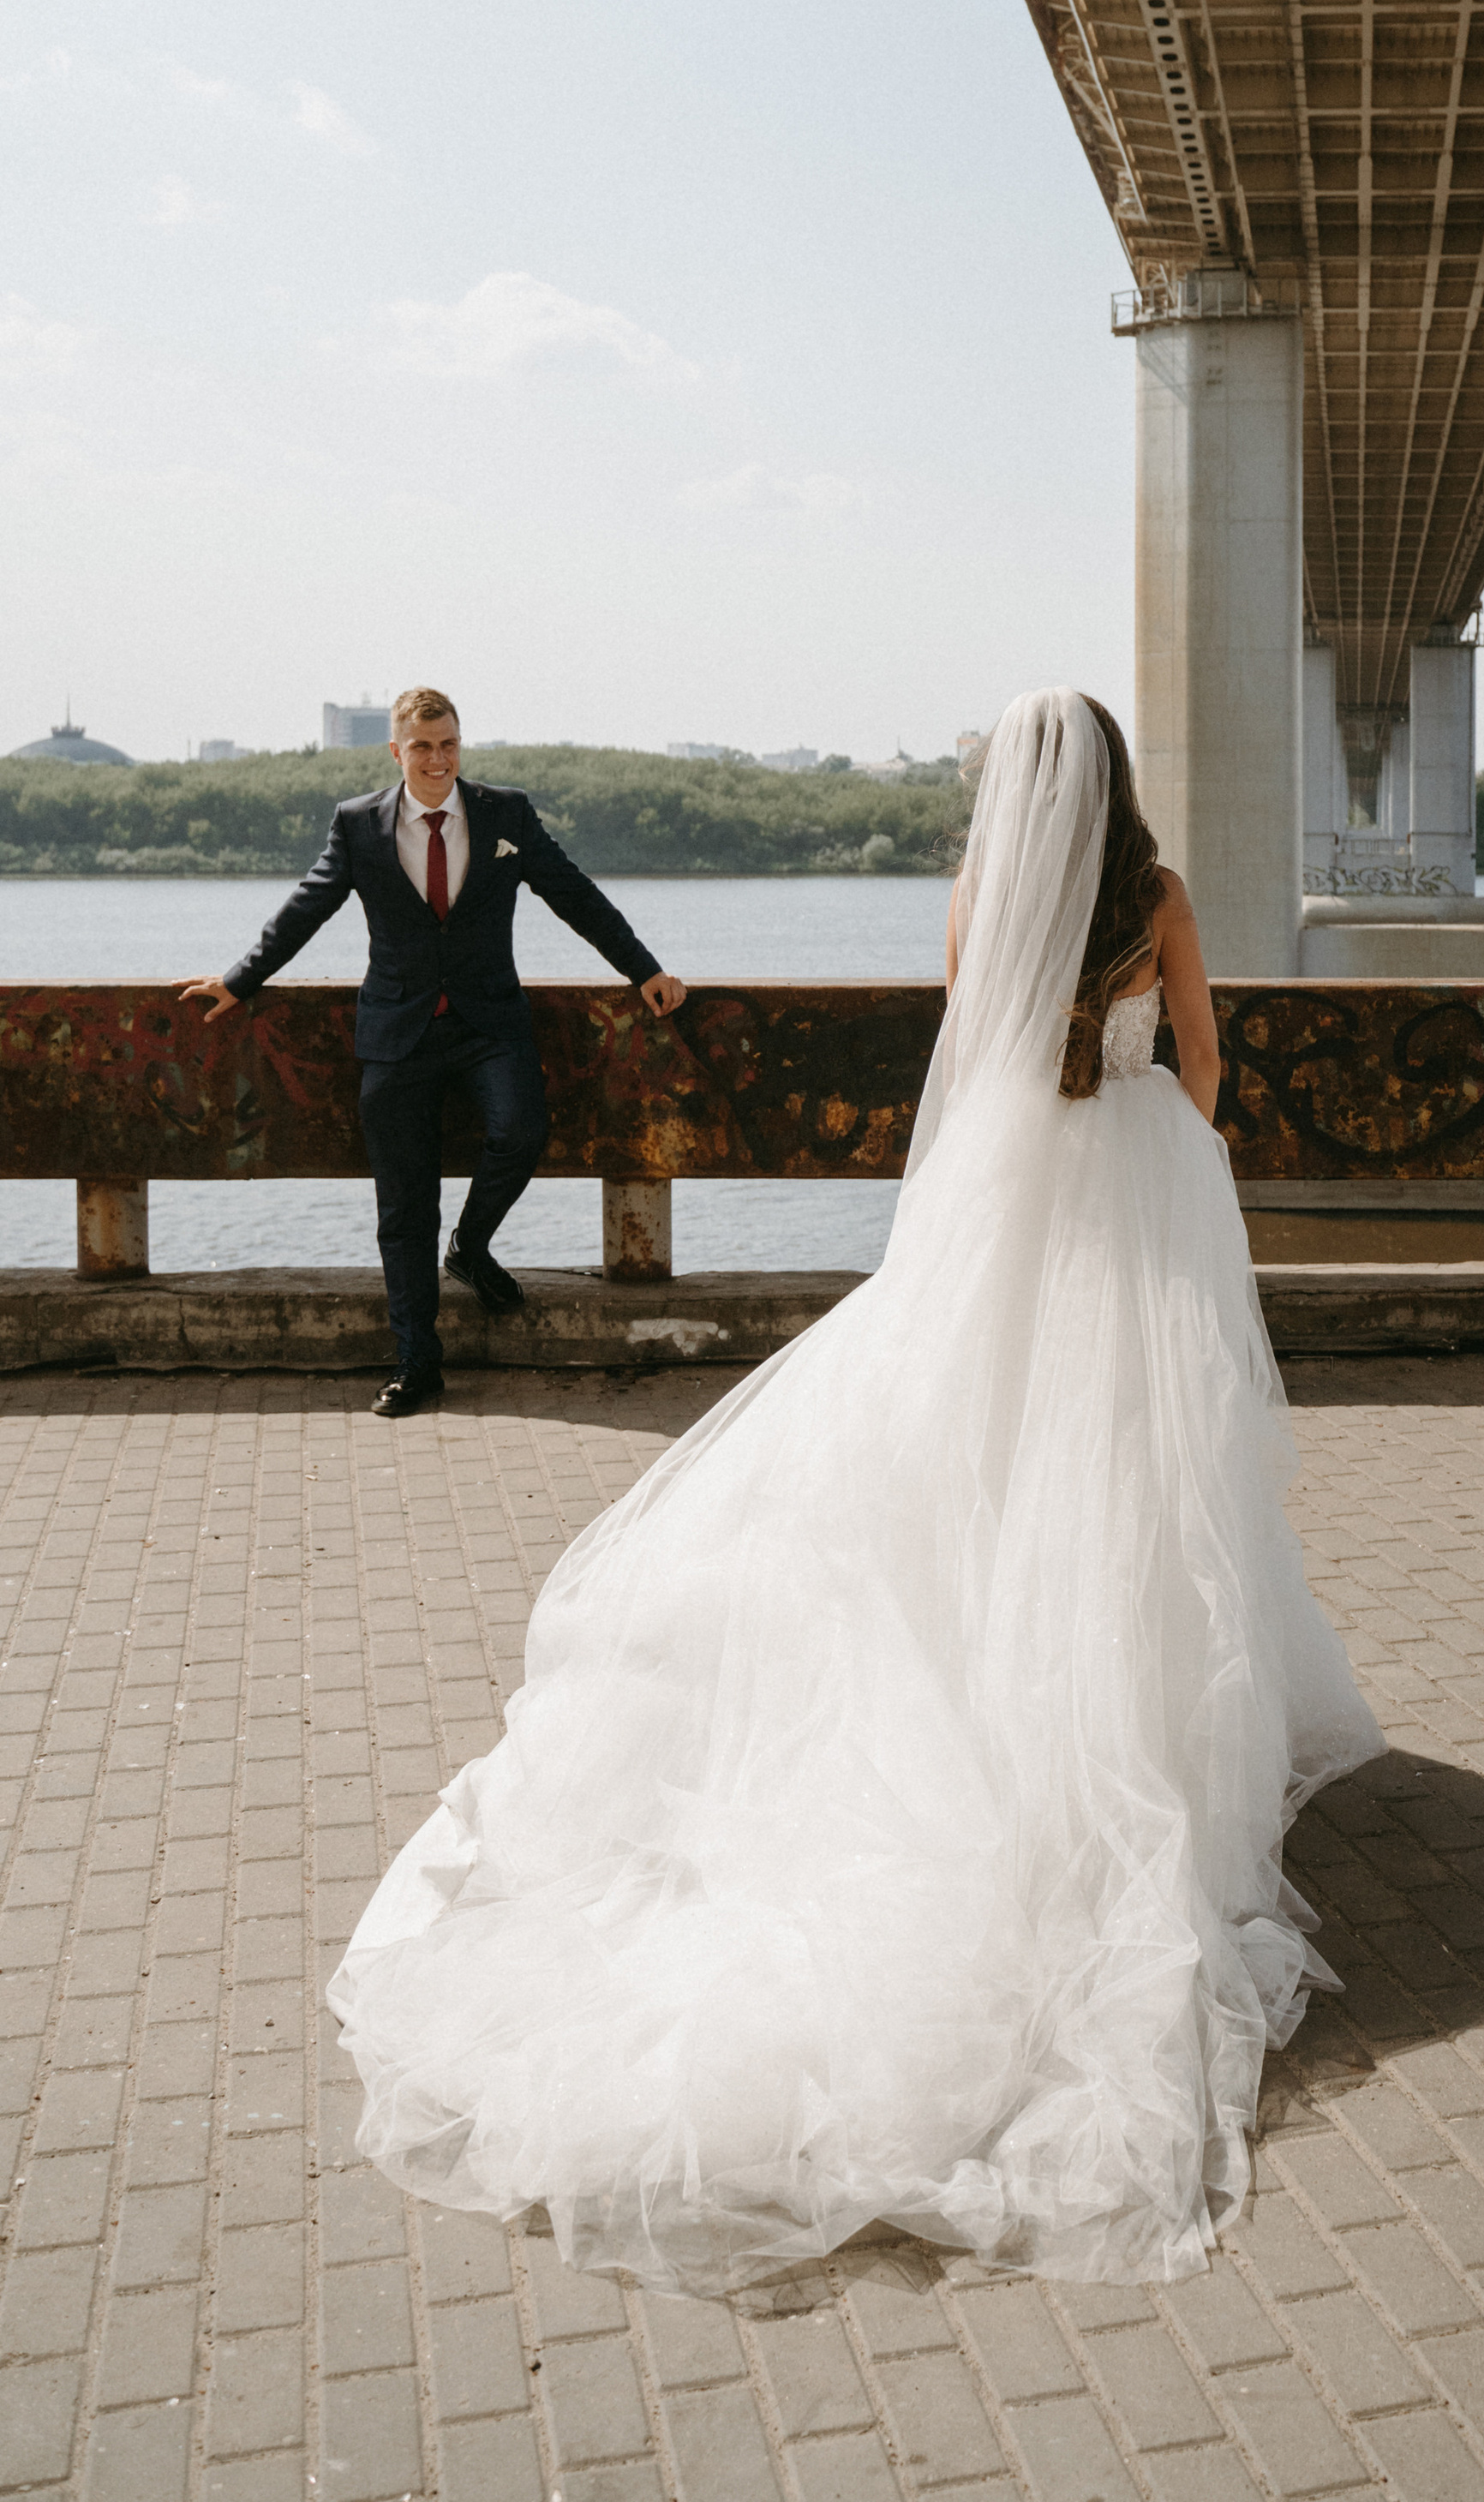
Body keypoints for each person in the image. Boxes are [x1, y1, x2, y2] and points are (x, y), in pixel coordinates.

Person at [326, 689, 1383, 2290]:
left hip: (1013, 1181)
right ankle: (1128, 1698)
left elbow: (972, 1067)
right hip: (1137, 1181)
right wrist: (1170, 1165)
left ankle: (983, 1668)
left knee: (985, 1445)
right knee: (1135, 1458)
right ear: (1112, 783)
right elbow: (1206, 1059)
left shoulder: (976, 896)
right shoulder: (1159, 896)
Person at [182, 687, 685, 1419]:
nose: (437, 759)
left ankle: (471, 1247)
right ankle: (417, 1362)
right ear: (397, 751)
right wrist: (238, 980)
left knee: (521, 1130)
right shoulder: (358, 824)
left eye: (448, 744)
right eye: (422, 746)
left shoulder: (506, 814)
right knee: (404, 1208)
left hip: (489, 1024)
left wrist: (644, 970)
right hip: (399, 1032)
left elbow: (574, 895)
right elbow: (307, 907)